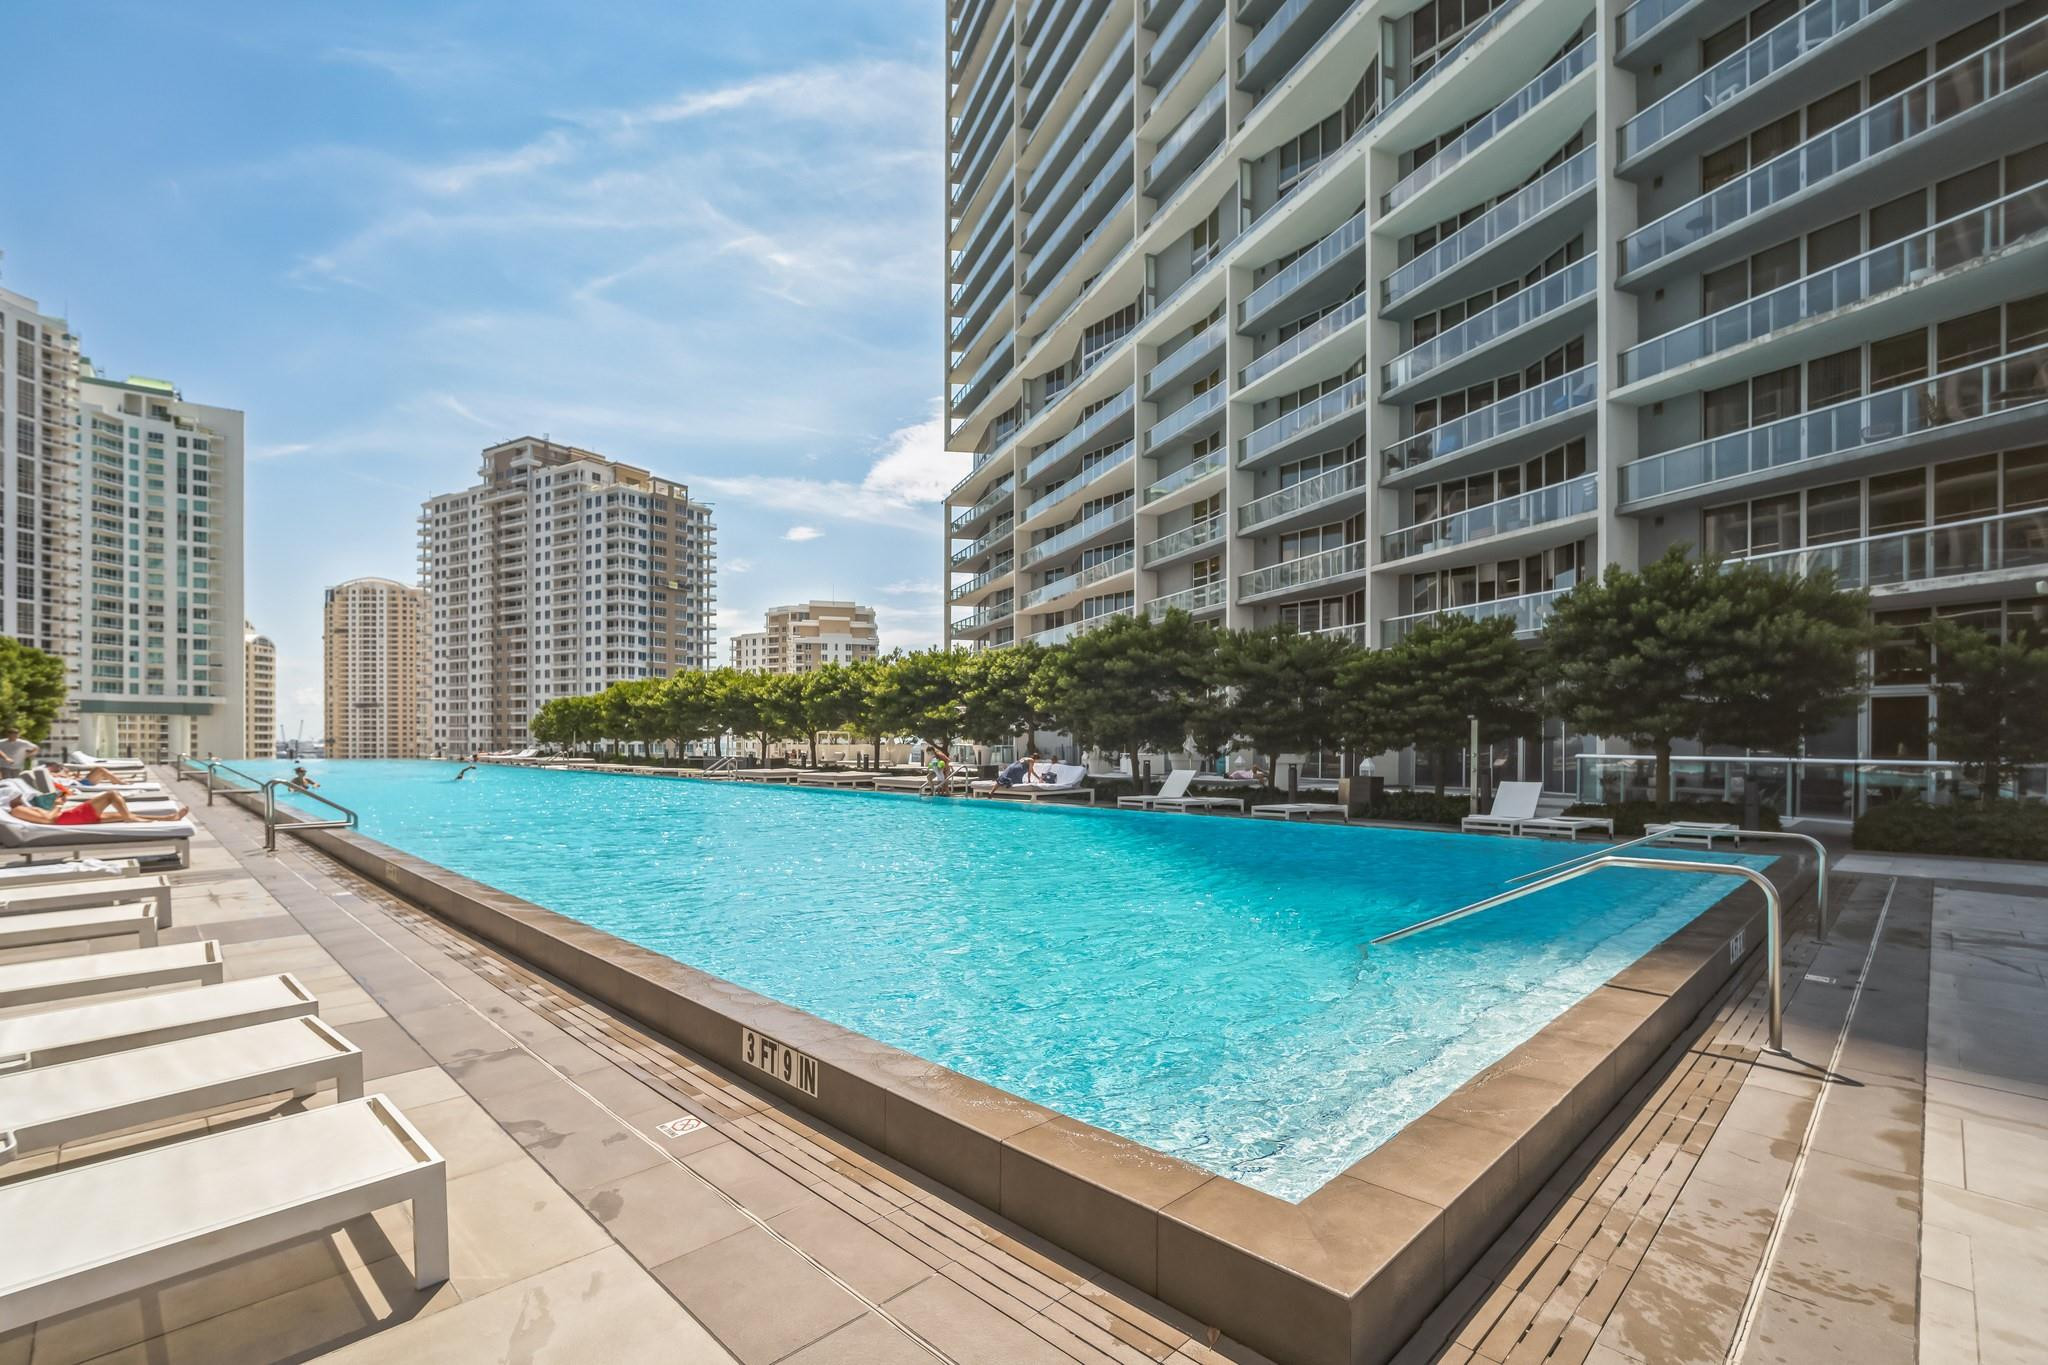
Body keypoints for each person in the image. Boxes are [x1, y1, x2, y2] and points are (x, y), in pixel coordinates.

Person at [7, 789, 189, 826]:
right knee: (111, 794)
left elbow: (47, 817)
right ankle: (127, 818)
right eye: (18, 797)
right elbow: (48, 819)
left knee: (123, 814)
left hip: (68, 817)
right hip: (67, 818)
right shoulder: (16, 810)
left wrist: (58, 806)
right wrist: (57, 805)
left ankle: (169, 818)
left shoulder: (20, 809)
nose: (21, 799)